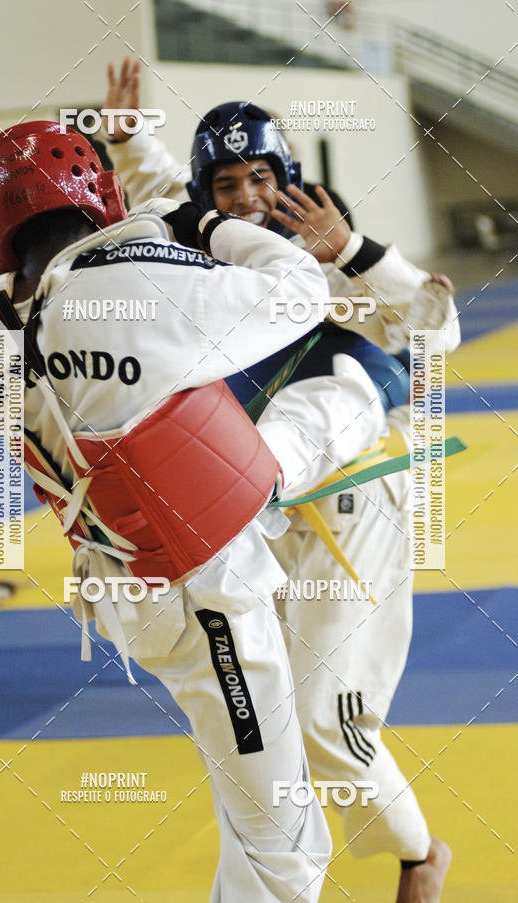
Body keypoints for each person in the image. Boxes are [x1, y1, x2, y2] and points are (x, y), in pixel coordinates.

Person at [0, 120, 396, 902]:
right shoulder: (148, 274)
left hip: (125, 592)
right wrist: (206, 224)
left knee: (279, 449)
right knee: (286, 849)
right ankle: (357, 401)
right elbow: (305, 290)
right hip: (210, 600)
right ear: (104, 197)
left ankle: (337, 417)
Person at [99, 60, 460, 901]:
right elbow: (159, 189)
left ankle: (418, 858)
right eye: (228, 183)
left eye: (263, 175)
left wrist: (359, 253)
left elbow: (435, 337)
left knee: (329, 719)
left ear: (288, 177)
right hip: (251, 515)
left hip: (354, 502)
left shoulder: (334, 258)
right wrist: (128, 136)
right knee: (276, 721)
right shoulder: (194, 244)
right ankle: (390, 855)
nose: (249, 196)